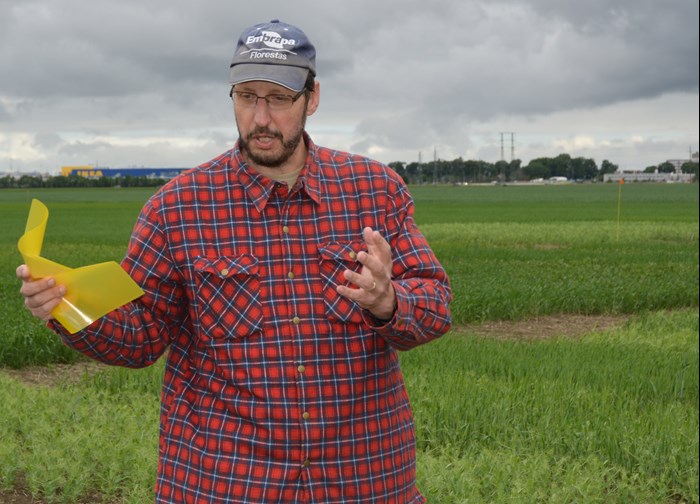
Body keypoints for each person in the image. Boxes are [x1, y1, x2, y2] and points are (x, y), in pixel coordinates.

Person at [17, 19, 452, 503]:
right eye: (247, 97)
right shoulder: (177, 208)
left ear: (312, 98)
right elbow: (141, 337)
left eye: (279, 98)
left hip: (362, 479)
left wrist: (389, 301)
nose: (261, 118)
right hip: (226, 483)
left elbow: (435, 306)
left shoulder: (375, 190)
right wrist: (64, 306)